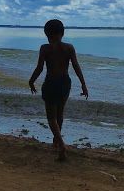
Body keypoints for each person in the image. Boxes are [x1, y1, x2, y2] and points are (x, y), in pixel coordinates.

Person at [29, 19, 88, 161]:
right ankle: (57, 141)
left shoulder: (45, 48)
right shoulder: (69, 47)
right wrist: (83, 84)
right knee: (60, 114)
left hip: (51, 83)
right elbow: (76, 66)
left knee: (51, 117)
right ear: (62, 33)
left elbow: (40, 68)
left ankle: (61, 144)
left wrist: (31, 81)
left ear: (46, 34)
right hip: (64, 83)